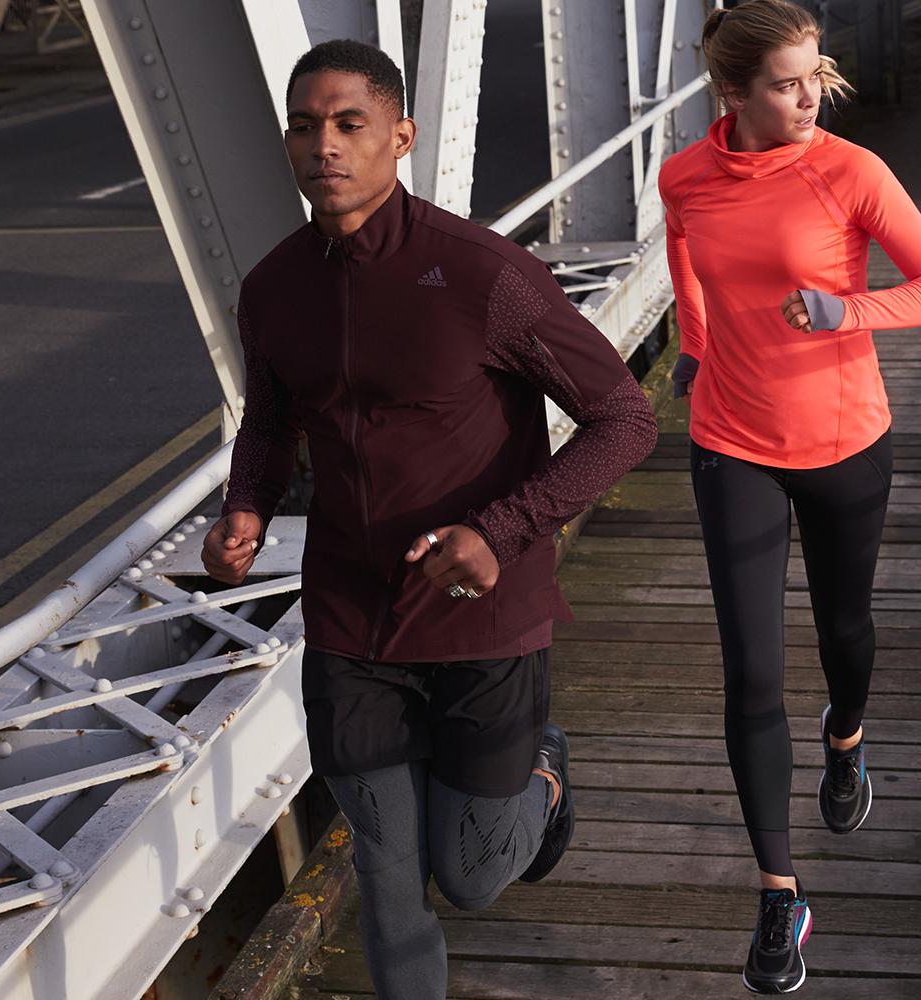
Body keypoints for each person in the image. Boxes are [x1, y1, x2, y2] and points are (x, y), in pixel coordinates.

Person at [201, 39, 659, 1000]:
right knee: (387, 875)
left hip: (481, 616)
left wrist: (501, 531)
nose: (324, 145)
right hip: (350, 622)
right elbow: (272, 423)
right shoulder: (273, 289)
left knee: (472, 873)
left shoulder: (483, 275)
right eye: (304, 126)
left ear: (402, 137)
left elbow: (625, 418)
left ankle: (543, 773)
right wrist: (245, 505)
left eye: (349, 123)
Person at [659, 1, 921, 993]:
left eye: (813, 77)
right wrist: (695, 349)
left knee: (844, 629)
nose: (808, 99)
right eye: (786, 84)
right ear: (732, 94)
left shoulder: (850, 170)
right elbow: (684, 255)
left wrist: (848, 309)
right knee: (751, 670)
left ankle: (847, 738)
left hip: (843, 439)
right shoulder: (684, 175)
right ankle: (778, 895)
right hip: (729, 442)